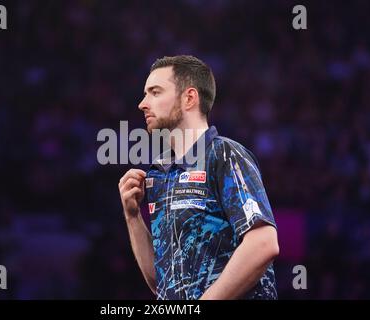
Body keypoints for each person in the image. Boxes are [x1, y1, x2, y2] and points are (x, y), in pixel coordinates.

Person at [118, 55, 279, 300]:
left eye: (155, 92)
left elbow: (263, 244)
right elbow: (162, 281)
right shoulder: (158, 175)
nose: (142, 103)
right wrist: (132, 216)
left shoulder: (224, 154)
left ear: (189, 98)